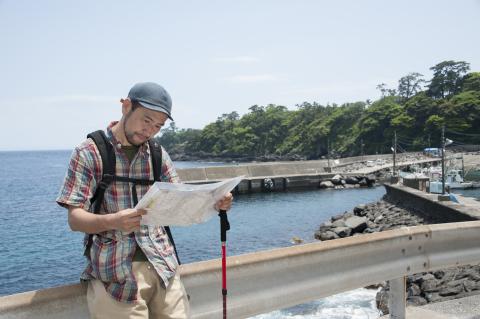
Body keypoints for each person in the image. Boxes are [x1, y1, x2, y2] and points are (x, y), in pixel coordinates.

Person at [56, 82, 233, 319]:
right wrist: (113, 221)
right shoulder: (90, 152)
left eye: (158, 125)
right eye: (146, 120)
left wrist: (215, 202)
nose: (149, 130)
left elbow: (181, 200)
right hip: (115, 273)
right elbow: (75, 219)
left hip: (163, 267)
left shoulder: (157, 154)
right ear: (126, 106)